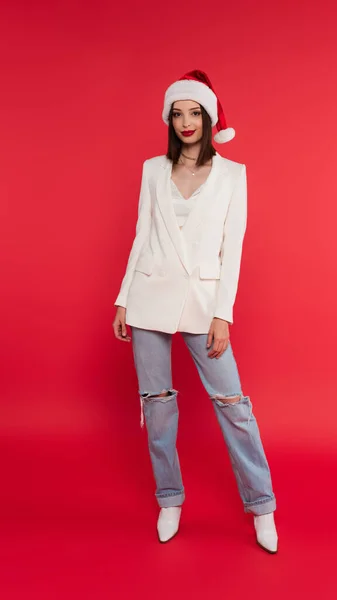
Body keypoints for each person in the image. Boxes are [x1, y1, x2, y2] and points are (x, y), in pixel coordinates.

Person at [112, 69, 278, 553]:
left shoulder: (233, 175)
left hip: (204, 304)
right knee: (157, 407)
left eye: (195, 112)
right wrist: (124, 297)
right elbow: (141, 237)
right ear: (170, 119)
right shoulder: (152, 169)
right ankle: (170, 498)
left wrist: (222, 313)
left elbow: (234, 249)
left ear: (209, 117)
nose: (186, 122)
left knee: (234, 406)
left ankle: (262, 505)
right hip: (148, 300)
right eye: (178, 113)